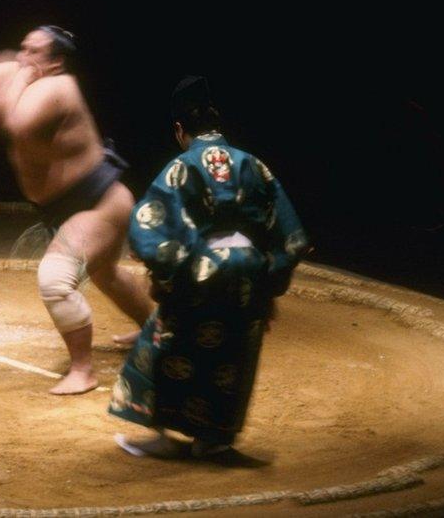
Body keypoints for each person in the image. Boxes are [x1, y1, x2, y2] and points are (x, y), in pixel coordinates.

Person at [0, 26, 153, 394]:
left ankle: (83, 371)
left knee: (55, 278)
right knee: (106, 273)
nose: (24, 57)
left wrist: (18, 75)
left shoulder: (58, 88)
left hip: (98, 203)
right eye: (22, 48)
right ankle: (154, 327)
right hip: (74, 206)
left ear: (55, 62)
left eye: (34, 52)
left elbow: (16, 124)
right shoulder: (28, 84)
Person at [109, 76, 309, 457]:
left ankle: (164, 436)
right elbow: (292, 235)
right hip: (249, 272)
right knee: (232, 354)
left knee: (165, 343)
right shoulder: (253, 165)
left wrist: (166, 276)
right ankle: (214, 440)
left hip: (199, 271)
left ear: (180, 130)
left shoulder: (181, 167)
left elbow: (149, 225)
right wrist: (269, 282)